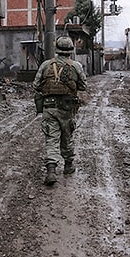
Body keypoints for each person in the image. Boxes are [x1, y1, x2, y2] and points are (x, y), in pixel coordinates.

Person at [32, 36, 87, 186]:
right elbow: (83, 86)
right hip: (67, 109)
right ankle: (68, 165)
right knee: (67, 137)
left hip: (49, 108)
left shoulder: (45, 65)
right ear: (71, 50)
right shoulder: (76, 66)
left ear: (57, 50)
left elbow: (36, 85)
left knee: (52, 138)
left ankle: (51, 171)